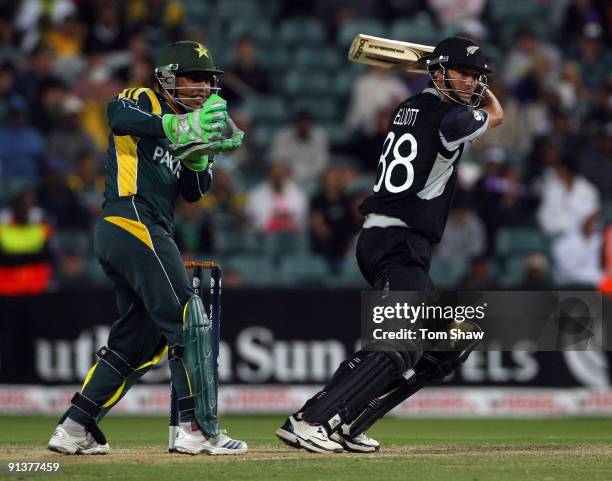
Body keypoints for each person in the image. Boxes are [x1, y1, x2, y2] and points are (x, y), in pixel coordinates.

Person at [276, 37, 503, 453]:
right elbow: (497, 115)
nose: (471, 83)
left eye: (476, 76)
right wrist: (485, 92)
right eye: (464, 74)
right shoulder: (451, 120)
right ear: (437, 73)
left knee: (449, 344)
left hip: (393, 239)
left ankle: (352, 424)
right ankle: (312, 419)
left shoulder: (407, 107)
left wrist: (452, 76)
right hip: (398, 241)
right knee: (396, 345)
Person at [48, 40, 246, 456]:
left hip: (144, 229)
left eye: (209, 82)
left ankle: (75, 427)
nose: (203, 89)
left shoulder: (190, 125)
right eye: (194, 80)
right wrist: (179, 129)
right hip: (130, 218)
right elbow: (116, 115)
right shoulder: (143, 99)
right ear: (168, 78)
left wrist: (198, 155)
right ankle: (197, 428)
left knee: (139, 342)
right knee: (188, 319)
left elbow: (193, 193)